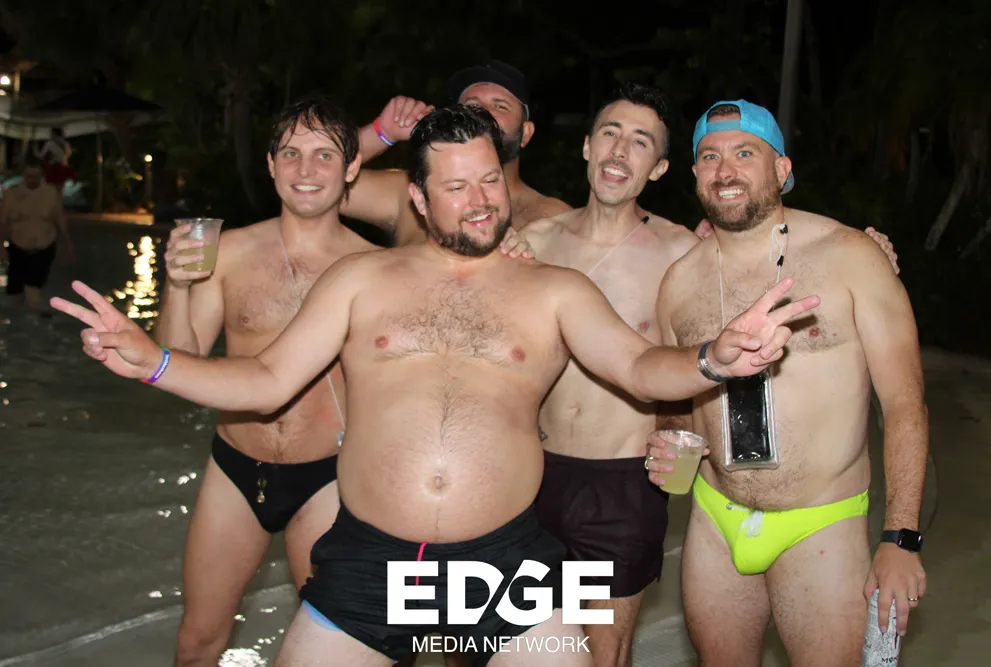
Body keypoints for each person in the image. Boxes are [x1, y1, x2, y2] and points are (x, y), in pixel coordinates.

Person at [53, 105, 819, 667]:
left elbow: (640, 367)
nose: (481, 199)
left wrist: (713, 358)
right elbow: (263, 380)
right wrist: (152, 361)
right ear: (418, 199)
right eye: (456, 186)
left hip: (503, 562)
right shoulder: (361, 279)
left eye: (489, 180)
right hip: (371, 558)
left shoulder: (553, 289)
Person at [152, 96, 533, 667]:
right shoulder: (225, 253)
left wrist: (508, 248)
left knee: (366, 644)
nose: (306, 169)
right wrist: (178, 286)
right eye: (291, 154)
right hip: (235, 466)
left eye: (326, 155)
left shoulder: (377, 268)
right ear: (270, 165)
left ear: (352, 168)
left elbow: (460, 279)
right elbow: (179, 363)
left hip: (328, 478)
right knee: (197, 641)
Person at [645, 100, 928, 667]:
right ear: (695, 174)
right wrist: (672, 436)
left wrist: (900, 538)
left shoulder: (851, 257)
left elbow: (904, 403)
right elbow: (678, 393)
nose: (725, 169)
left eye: (744, 153)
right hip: (715, 517)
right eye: (709, 156)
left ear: (781, 169)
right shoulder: (678, 282)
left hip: (821, 523)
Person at [521, 83, 699, 667]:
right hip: (530, 476)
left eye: (641, 142)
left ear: (659, 168)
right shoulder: (532, 245)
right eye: (610, 133)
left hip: (621, 484)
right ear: (587, 146)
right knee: (527, 650)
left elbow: (706, 358)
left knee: (604, 654)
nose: (621, 151)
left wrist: (871, 247)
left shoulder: (680, 253)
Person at [341, 59, 571, 246]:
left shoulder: (555, 218)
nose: (482, 112)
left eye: (500, 105)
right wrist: (382, 133)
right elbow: (322, 180)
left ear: (526, 133)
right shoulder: (408, 192)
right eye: (471, 105)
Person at [0, 158, 74, 313]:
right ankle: (26, 310)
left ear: (42, 175)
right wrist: (1, 246)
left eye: (36, 177)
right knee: (15, 292)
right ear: (23, 175)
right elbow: (3, 222)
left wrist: (68, 242)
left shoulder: (51, 193)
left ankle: (36, 307)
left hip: (44, 245)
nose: (32, 180)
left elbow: (60, 217)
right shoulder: (11, 194)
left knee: (33, 283)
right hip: (18, 246)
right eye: (29, 177)